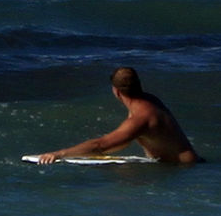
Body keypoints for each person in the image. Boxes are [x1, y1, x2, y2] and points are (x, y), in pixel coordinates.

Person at [37, 67, 203, 165]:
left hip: (181, 169)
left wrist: (59, 154)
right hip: (189, 165)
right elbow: (124, 141)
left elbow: (101, 145)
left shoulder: (140, 118)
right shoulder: (150, 100)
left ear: (116, 91)